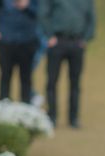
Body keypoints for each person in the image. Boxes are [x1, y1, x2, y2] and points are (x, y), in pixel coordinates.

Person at [38, 0, 95, 128]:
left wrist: (86, 38)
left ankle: (73, 118)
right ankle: (52, 116)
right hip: (57, 41)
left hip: (77, 42)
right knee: (52, 81)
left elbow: (91, 18)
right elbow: (43, 14)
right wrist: (49, 35)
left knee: (75, 83)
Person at [0, 0, 39, 103]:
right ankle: (3, 106)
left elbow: (43, 12)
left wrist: (28, 6)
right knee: (5, 76)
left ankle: (26, 107)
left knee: (26, 78)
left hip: (27, 40)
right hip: (6, 40)